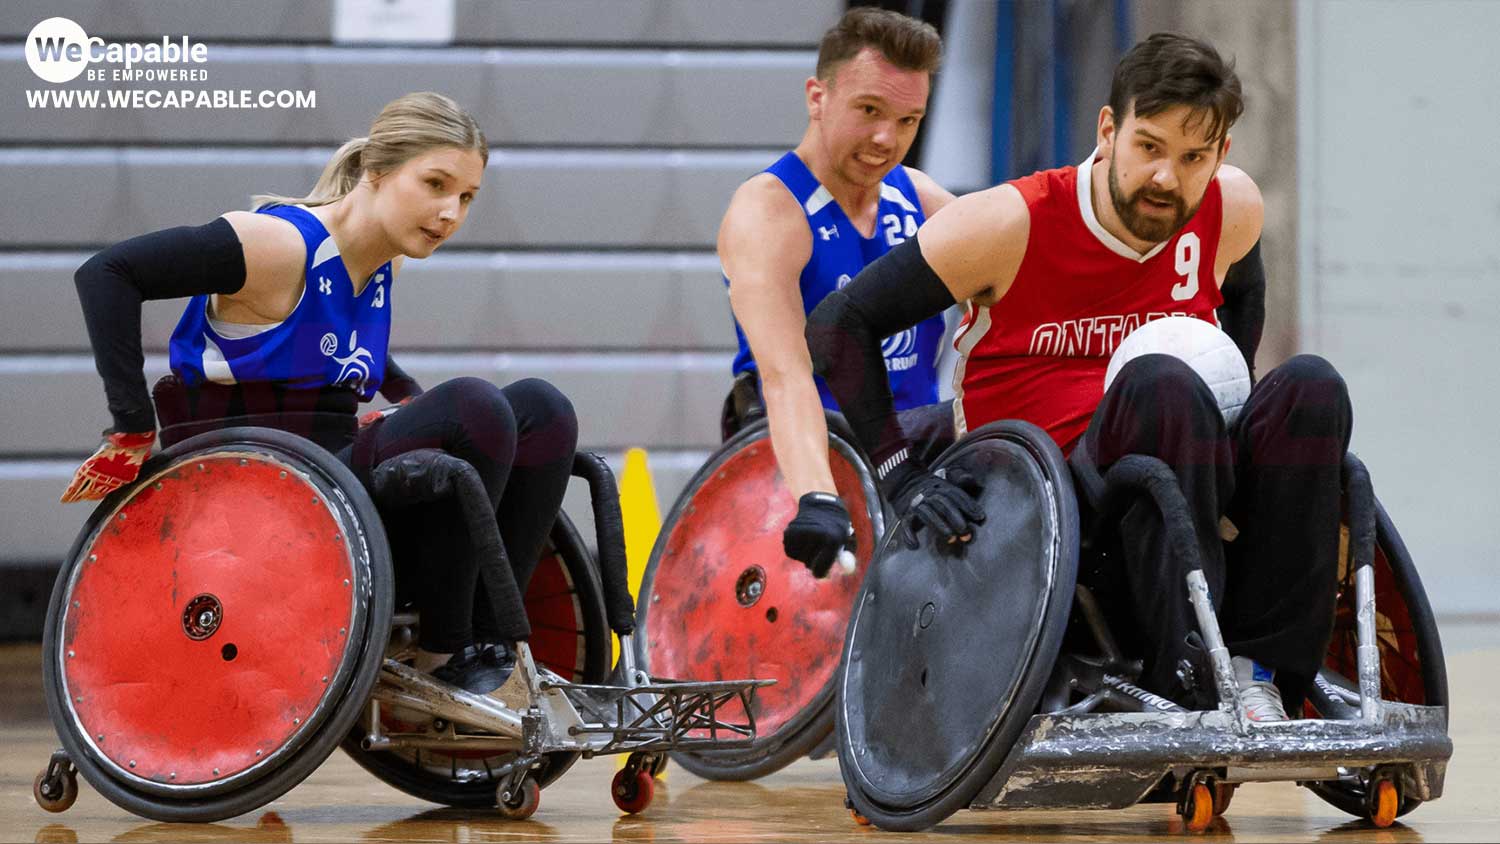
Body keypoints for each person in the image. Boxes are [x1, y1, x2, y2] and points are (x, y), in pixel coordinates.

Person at [808, 33, 1345, 723]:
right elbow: (836, 325)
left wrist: (1231, 406)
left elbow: (1244, 294)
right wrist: (901, 475)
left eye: (1192, 158)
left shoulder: (1231, 207)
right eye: (1149, 147)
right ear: (1108, 129)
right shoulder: (1009, 221)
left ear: (1220, 156)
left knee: (1311, 386)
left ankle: (1266, 671)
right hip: (1054, 502)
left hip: (1186, 469)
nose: (1165, 178)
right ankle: (1186, 671)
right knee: (1163, 384)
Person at [61, 92, 578, 696]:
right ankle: (445, 650)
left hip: (324, 465)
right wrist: (130, 425)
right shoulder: (277, 244)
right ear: (377, 172)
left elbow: (337, 341)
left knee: (543, 409)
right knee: (474, 406)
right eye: (435, 184)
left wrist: (405, 392)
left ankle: (494, 644)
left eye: (466, 197)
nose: (450, 213)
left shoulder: (381, 261)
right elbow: (107, 273)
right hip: (250, 471)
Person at [718, 7, 957, 579]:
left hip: (917, 453)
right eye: (870, 110)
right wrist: (817, 496)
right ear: (817, 97)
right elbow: (785, 376)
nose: (886, 139)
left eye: (908, 120)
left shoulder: (918, 198)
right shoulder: (769, 210)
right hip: (815, 451)